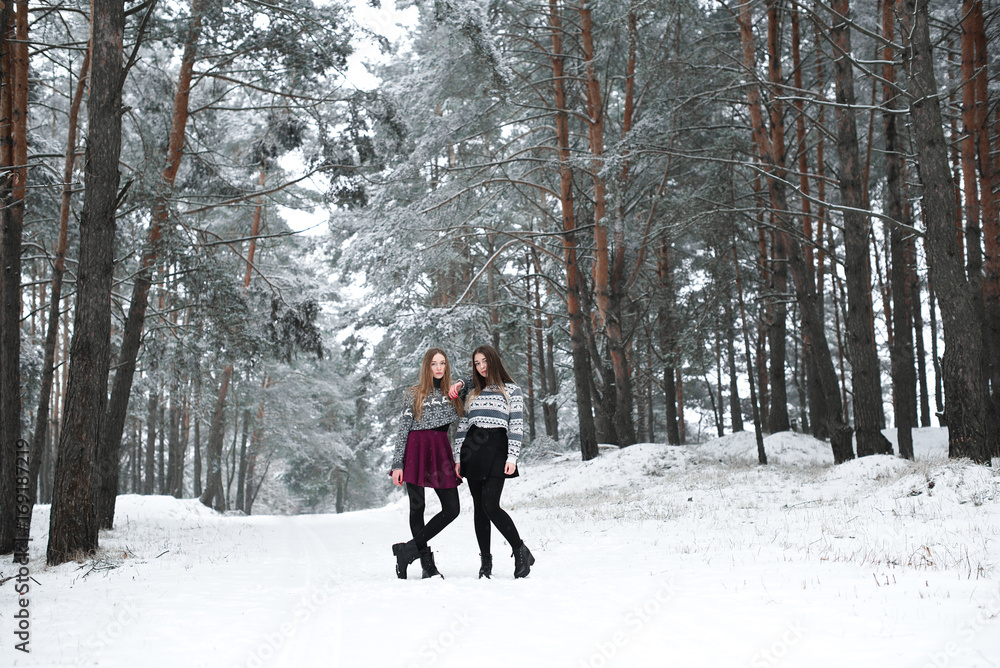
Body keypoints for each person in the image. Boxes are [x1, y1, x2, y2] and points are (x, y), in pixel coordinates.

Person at [449, 345, 535, 579]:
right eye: (477, 363)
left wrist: (513, 457)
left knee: (490, 505)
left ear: (493, 361)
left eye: (484, 361)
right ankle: (485, 562)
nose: (481, 366)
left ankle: (520, 550)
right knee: (479, 509)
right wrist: (458, 457)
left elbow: (517, 425)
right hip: (472, 450)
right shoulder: (473, 391)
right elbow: (463, 426)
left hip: (498, 448)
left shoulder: (512, 390)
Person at [390, 348, 464, 579]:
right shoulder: (414, 393)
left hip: (441, 451)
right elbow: (403, 429)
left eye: (443, 363)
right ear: (426, 367)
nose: (439, 368)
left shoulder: (453, 395)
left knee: (452, 509)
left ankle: (407, 550)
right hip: (416, 451)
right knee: (417, 507)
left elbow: (475, 381)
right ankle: (426, 563)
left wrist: (461, 383)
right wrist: (397, 464)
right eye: (434, 364)